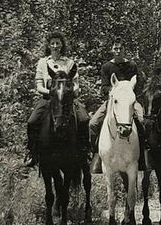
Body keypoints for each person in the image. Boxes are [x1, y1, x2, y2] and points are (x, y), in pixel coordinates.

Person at [25, 31, 90, 167]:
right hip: (48, 98)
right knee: (32, 121)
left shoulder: (69, 63)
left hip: (67, 98)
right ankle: (32, 152)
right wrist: (52, 92)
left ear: (62, 45)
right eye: (52, 43)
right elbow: (39, 86)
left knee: (84, 119)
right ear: (49, 45)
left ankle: (85, 150)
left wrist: (73, 91)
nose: (55, 46)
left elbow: (76, 83)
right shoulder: (43, 63)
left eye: (58, 43)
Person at [89, 37, 145, 157]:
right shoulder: (107, 67)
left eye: (121, 48)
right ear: (112, 50)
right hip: (113, 101)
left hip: (130, 101)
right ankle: (97, 154)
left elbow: (138, 84)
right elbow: (104, 87)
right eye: (116, 48)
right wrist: (115, 91)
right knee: (93, 123)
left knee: (142, 121)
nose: (118, 51)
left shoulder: (131, 65)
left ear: (125, 50)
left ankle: (143, 153)